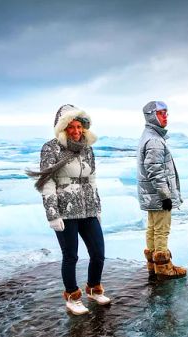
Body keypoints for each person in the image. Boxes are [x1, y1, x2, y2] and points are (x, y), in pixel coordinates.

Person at [27, 104, 111, 315]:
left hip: (88, 209)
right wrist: (53, 214)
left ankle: (93, 288)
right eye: (71, 127)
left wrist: (97, 207)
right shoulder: (51, 148)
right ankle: (72, 296)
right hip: (65, 211)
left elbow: (91, 180)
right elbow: (47, 183)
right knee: (70, 256)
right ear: (62, 128)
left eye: (79, 127)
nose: (76, 131)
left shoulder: (88, 149)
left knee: (98, 253)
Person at [137, 100, 186, 278]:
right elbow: (155, 171)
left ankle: (153, 265)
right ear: (151, 116)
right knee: (161, 229)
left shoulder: (149, 136)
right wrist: (165, 196)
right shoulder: (154, 141)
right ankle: (164, 268)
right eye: (161, 113)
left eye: (166, 113)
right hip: (158, 195)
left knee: (152, 228)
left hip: (151, 195)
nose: (165, 116)